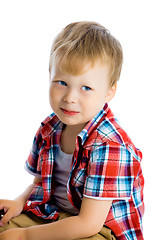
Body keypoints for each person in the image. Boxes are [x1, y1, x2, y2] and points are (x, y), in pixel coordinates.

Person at [0, 21, 144, 240]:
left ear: (109, 92)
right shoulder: (49, 128)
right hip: (52, 214)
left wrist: (26, 235)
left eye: (86, 88)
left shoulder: (110, 146)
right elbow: (39, 183)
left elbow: (89, 224)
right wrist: (19, 202)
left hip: (99, 231)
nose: (70, 97)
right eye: (61, 82)